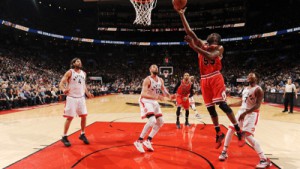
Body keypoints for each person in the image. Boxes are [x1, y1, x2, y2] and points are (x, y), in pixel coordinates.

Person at [176, 7, 244, 149]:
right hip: (204, 78)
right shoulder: (203, 43)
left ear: (217, 39)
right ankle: (219, 132)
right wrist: (181, 14)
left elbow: (210, 56)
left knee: (223, 105)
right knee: (210, 109)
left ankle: (238, 130)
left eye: (215, 34)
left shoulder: (220, 48)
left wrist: (193, 47)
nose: (212, 34)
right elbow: (189, 32)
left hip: (215, 77)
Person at [219, 72, 271, 168]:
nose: (249, 77)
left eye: (252, 76)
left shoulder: (258, 89)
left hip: (251, 114)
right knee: (230, 130)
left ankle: (264, 159)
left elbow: (258, 105)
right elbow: (242, 102)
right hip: (241, 112)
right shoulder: (245, 89)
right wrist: (230, 105)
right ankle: (224, 152)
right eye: (248, 76)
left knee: (247, 136)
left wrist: (245, 113)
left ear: (256, 78)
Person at [134, 64, 171, 153]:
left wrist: (171, 96)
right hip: (145, 101)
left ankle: (148, 140)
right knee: (152, 121)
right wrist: (157, 97)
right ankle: (139, 141)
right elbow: (143, 94)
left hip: (154, 101)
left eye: (156, 67)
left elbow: (164, 91)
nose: (156, 68)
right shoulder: (147, 80)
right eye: (153, 67)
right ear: (150, 70)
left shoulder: (160, 80)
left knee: (160, 121)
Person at [59, 58, 94, 147]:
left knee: (84, 116)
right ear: (73, 63)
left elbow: (83, 85)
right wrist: (63, 90)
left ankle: (82, 134)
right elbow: (61, 83)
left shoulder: (83, 73)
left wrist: (88, 93)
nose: (80, 62)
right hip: (72, 98)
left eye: (80, 61)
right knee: (70, 118)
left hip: (81, 98)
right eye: (77, 61)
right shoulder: (70, 72)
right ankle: (64, 136)